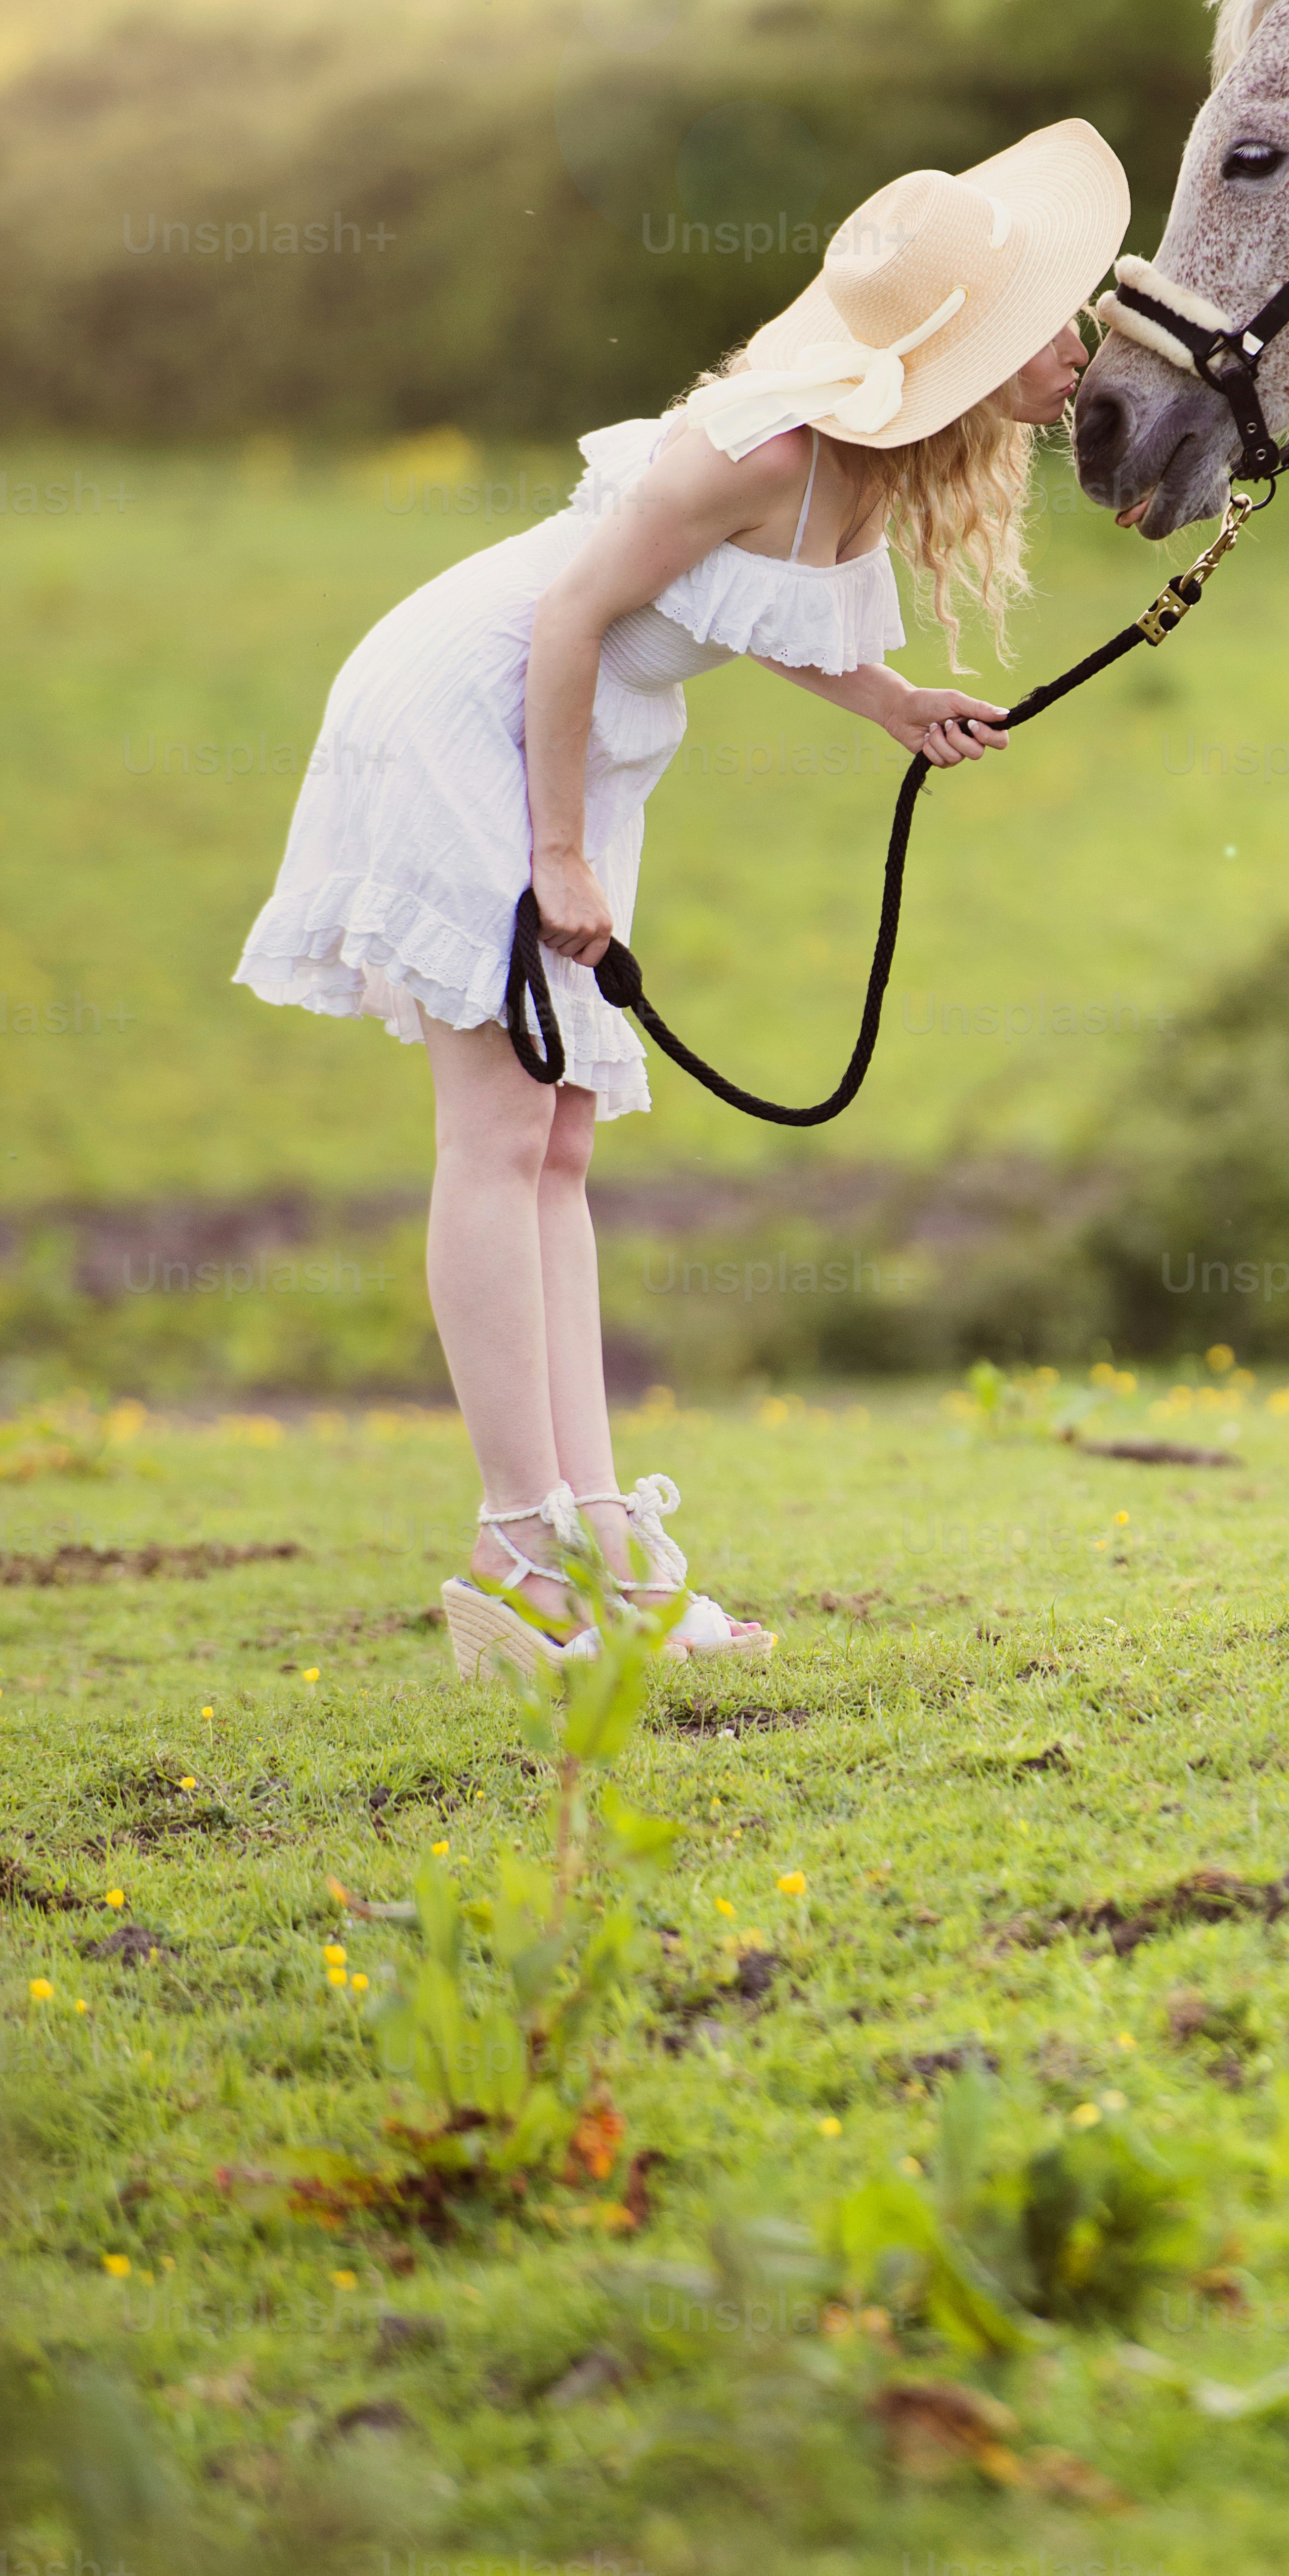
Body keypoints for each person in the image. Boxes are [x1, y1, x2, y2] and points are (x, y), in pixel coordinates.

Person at [236, 121, 1128, 1679]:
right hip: (478, 713)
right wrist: (558, 855)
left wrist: (892, 703)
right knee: (499, 1131)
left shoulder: (860, 463)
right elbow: (575, 614)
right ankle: (518, 1555)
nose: (1081, 349)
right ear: (963, 355)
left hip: (581, 742)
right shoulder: (763, 449)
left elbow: (742, 607)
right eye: (1053, 324)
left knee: (562, 1137)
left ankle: (595, 1537)